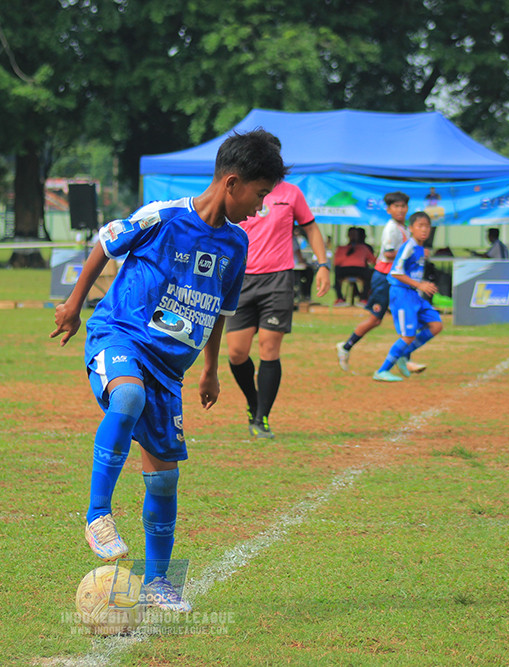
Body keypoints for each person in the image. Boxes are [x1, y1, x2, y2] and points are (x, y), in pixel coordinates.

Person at [49, 129, 286, 611]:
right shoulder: (162, 217)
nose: (260, 208)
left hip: (169, 369)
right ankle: (97, 514)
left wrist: (212, 370)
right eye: (260, 195)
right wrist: (74, 304)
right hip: (120, 336)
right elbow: (104, 244)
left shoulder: (236, 245)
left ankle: (159, 584)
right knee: (127, 398)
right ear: (232, 183)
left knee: (164, 480)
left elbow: (220, 311)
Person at [225, 170, 330, 438]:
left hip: (278, 279)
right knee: (237, 353)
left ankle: (261, 419)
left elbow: (311, 228)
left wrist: (323, 264)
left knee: (269, 348)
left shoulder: (291, 193)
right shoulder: (240, 189)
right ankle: (253, 401)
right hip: (241, 279)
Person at [335, 192, 425, 374]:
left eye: (403, 206)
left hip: (396, 278)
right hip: (385, 278)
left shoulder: (404, 228)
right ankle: (346, 347)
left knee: (407, 315)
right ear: (388, 209)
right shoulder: (391, 229)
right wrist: (412, 253)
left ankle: (405, 358)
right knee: (376, 319)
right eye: (396, 206)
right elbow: (389, 253)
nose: (400, 210)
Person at [372, 211, 443, 382]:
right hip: (402, 294)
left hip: (413, 294)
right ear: (411, 228)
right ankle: (382, 371)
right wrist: (420, 285)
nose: (424, 230)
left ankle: (404, 354)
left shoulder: (419, 248)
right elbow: (395, 272)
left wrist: (420, 284)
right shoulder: (409, 246)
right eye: (420, 226)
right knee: (408, 335)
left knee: (435, 325)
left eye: (427, 226)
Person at [333, 226, 376, 305]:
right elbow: (336, 262)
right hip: (345, 270)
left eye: (355, 235)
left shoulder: (363, 248)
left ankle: (363, 297)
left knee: (370, 274)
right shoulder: (342, 248)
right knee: (337, 272)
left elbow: (373, 261)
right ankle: (340, 298)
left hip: (359, 270)